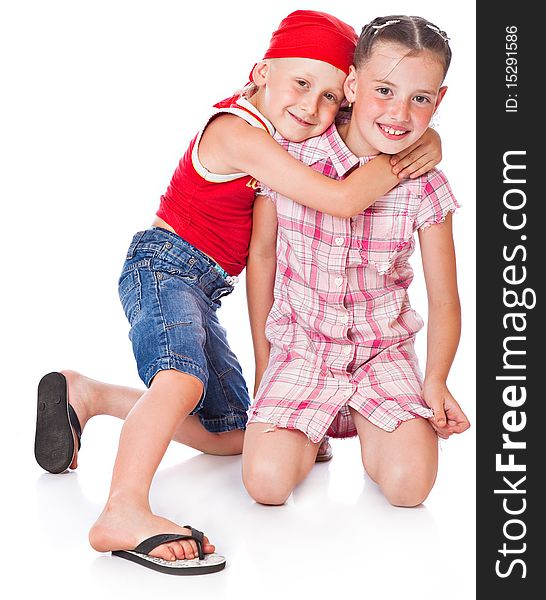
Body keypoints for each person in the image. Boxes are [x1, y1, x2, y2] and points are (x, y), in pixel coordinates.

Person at [34, 11, 443, 574]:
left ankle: (92, 396)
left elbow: (384, 114)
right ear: (260, 72)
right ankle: (122, 510)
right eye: (300, 85)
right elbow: (343, 198)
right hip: (164, 265)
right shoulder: (237, 131)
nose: (312, 107)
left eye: (329, 96)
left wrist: (431, 135)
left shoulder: (299, 122)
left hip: (204, 285)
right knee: (180, 380)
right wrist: (411, 157)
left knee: (233, 435)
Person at [242, 15, 471, 510]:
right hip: (301, 349)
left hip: (380, 354)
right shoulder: (291, 153)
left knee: (411, 489)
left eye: (420, 98)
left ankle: (369, 431)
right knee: (266, 483)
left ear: (439, 100)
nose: (400, 113)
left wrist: (435, 380)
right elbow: (261, 255)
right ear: (351, 84)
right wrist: (265, 360)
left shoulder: (426, 184)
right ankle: (310, 432)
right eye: (384, 91)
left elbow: (445, 296)